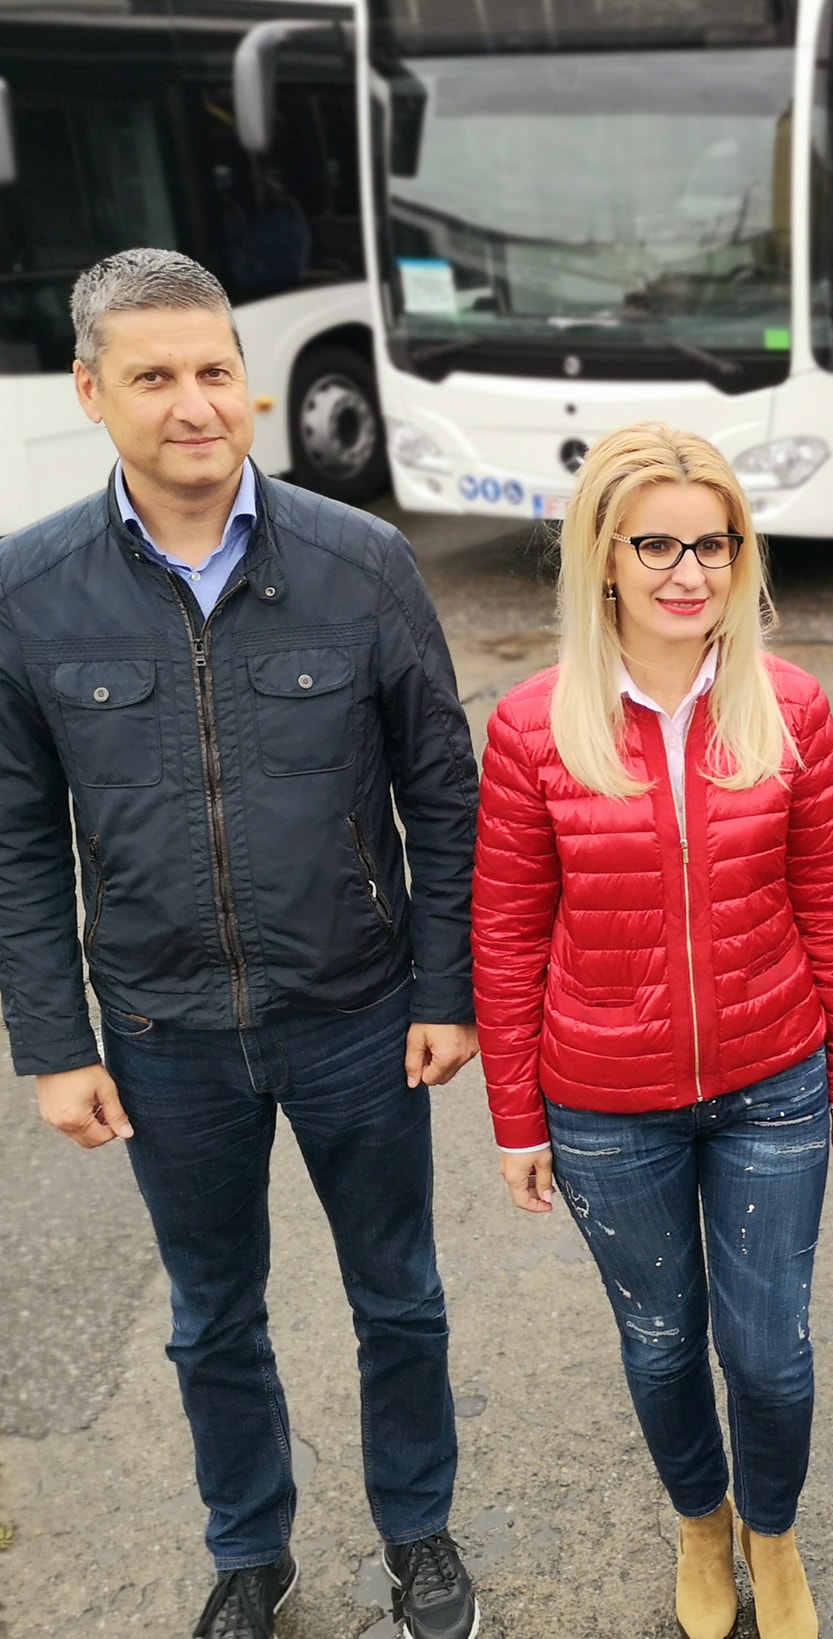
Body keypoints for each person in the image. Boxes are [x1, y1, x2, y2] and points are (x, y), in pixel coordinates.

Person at [0, 249, 482, 1639]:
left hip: (359, 1016)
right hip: (163, 1037)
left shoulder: (362, 562)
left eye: (215, 369)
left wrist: (445, 986)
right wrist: (53, 1043)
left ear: (248, 385)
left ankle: (418, 1532)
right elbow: (19, 836)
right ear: (90, 391)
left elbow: (443, 795)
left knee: (399, 1296)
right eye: (153, 375)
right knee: (211, 1316)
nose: (194, 402)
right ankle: (249, 1552)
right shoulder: (30, 591)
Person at [471, 423, 833, 1639]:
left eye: (715, 543)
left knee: (769, 1354)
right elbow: (506, 932)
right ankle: (704, 1526)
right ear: (602, 555)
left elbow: (830, 896)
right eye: (655, 544)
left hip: (773, 1080)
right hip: (604, 1104)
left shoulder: (788, 705)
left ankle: (773, 1532)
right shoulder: (533, 726)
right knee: (659, 1345)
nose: (688, 571)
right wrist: (516, 1119)